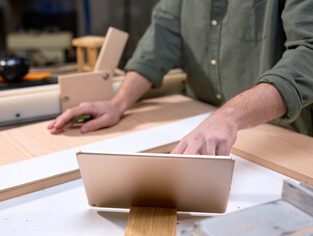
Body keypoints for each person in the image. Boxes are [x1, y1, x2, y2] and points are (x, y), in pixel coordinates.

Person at [48, 0, 313, 156]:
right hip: (203, 125)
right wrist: (117, 103)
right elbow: (163, 32)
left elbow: (308, 51)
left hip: (284, 139)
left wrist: (228, 117)